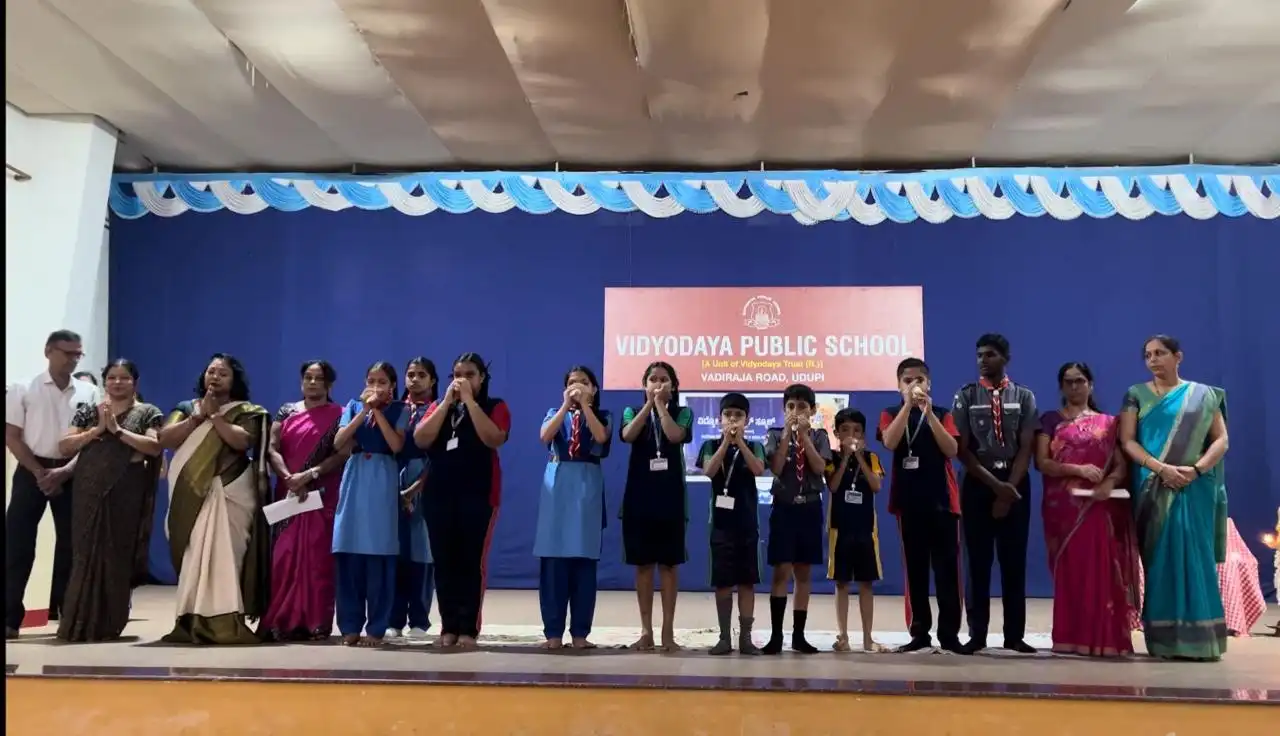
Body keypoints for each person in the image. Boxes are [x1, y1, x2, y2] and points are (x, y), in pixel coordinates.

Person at [1119, 335, 1230, 661]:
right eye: (1148, 355)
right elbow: (1127, 441)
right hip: (1154, 487)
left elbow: (1221, 439)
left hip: (1194, 487)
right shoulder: (1135, 395)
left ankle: (1202, 640)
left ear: (1177, 356)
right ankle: (1165, 641)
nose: (1153, 360)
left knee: (1196, 558)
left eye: (1160, 353)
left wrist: (1195, 470)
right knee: (1160, 563)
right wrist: (1160, 468)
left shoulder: (1203, 395)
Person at [157, 353, 271, 645]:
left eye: (223, 373)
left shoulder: (247, 410)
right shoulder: (186, 408)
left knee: (226, 557)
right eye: (211, 372)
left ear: (234, 380)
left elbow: (242, 441)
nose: (215, 377)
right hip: (191, 493)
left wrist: (216, 417)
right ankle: (189, 620)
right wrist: (197, 416)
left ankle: (227, 621)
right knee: (195, 553)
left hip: (230, 490)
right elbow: (165, 438)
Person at [54, 359, 163, 641]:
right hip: (88, 489)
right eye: (112, 377)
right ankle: (77, 624)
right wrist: (97, 430)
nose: (117, 382)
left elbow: (153, 446)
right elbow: (64, 445)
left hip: (126, 490)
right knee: (84, 554)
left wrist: (117, 431)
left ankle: (109, 623)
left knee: (116, 553)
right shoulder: (89, 411)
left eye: (124, 378)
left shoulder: (148, 412)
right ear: (105, 382)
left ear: (134, 383)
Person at [1035, 362, 1138, 657]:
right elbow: (1042, 462)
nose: (1074, 387)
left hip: (1098, 508)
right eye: (1067, 382)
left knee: (1101, 572)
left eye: (1079, 381)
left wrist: (1110, 483)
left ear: (1090, 384)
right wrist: (1077, 468)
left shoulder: (1108, 423)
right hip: (1063, 511)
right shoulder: (1049, 421)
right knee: (1071, 573)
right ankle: (1071, 638)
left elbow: (1119, 466)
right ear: (1061, 387)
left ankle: (1105, 639)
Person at [413, 353, 511, 650]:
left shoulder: (496, 406)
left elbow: (494, 438)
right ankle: (449, 625)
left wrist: (469, 402)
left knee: (470, 562)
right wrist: (446, 403)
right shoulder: (438, 406)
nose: (462, 380)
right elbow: (421, 439)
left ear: (482, 378)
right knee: (444, 562)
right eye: (457, 374)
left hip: (478, 494)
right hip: (439, 494)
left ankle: (468, 627)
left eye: (469, 374)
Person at [6, 329, 98, 638]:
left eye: (78, 355)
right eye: (67, 353)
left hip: (73, 473)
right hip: (31, 470)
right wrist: (39, 472)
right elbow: (12, 435)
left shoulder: (88, 392)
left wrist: (67, 471)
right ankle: (9, 618)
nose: (73, 360)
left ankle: (68, 617)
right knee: (17, 546)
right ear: (49, 351)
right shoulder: (23, 388)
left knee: (72, 546)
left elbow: (93, 440)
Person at [953, 334, 1039, 654]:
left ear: (1005, 358)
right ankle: (977, 635)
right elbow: (962, 450)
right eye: (979, 355)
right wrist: (994, 487)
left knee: (1013, 561)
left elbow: (1027, 445)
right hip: (977, 482)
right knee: (977, 561)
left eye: (990, 355)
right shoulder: (965, 396)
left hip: (1015, 482)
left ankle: (1014, 635)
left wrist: (1008, 491)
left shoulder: (1025, 397)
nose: (982, 360)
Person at [879, 358, 965, 654]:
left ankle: (950, 634)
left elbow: (952, 449)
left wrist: (929, 415)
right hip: (908, 503)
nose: (915, 385)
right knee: (915, 573)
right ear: (899, 385)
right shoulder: (890, 413)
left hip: (942, 503)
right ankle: (919, 633)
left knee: (947, 574)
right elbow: (890, 442)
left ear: (929, 383)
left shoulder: (943, 413)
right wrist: (907, 406)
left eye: (920, 380)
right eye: (907, 380)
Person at [260, 360, 349, 642]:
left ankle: (316, 623)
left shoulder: (339, 414)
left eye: (319, 378)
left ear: (329, 384)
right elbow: (271, 448)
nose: (312, 383)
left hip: (320, 495)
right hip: (288, 493)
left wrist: (310, 474)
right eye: (308, 378)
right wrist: (288, 476)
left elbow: (342, 453)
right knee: (282, 558)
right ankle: (279, 621)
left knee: (317, 561)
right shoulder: (287, 411)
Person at [618, 361, 693, 652]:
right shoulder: (631, 412)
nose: (658, 384)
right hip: (639, 500)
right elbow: (627, 435)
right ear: (644, 385)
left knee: (670, 566)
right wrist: (649, 406)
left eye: (664, 380)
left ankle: (668, 632)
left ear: (673, 386)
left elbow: (675, 436)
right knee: (644, 566)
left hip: (671, 500)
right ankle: (646, 630)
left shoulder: (683, 412)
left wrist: (661, 407)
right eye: (653, 380)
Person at [534, 366, 612, 650]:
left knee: (583, 563)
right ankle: (552, 633)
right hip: (557, 488)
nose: (577, 387)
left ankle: (580, 633)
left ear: (594, 389)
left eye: (584, 383)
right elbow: (545, 436)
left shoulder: (603, 416)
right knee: (553, 562)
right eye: (571, 383)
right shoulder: (556, 412)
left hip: (586, 487)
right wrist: (567, 405)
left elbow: (601, 438)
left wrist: (586, 407)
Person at [331, 362, 407, 647]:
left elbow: (396, 445)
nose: (376, 386)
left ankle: (377, 626)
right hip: (355, 477)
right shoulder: (352, 406)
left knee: (379, 553)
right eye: (371, 380)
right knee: (348, 551)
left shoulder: (400, 409)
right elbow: (339, 442)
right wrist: (364, 409)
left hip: (382, 477)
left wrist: (377, 410)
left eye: (383, 381)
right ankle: (349, 626)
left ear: (392, 386)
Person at [762, 383, 831, 655]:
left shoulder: (820, 436)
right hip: (784, 507)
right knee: (781, 571)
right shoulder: (774, 435)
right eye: (791, 407)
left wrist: (803, 436)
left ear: (812, 410)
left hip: (810, 507)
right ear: (784, 410)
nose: (796, 411)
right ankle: (776, 635)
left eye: (802, 407)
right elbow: (777, 467)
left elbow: (819, 467)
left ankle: (799, 636)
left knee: (803, 572)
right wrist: (787, 440)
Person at [696, 392, 766, 656]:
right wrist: (726, 443)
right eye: (728, 415)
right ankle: (724, 637)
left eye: (738, 415)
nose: (733, 420)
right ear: (720, 420)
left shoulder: (755, 446)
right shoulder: (711, 445)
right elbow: (709, 471)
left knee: (747, 582)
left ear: (747, 420)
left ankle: (746, 638)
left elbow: (759, 469)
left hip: (747, 524)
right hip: (721, 525)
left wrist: (741, 444)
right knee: (723, 582)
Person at [825, 409, 887, 653]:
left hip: (865, 530)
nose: (851, 435)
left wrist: (859, 457)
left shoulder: (871, 458)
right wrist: (845, 460)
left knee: (865, 584)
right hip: (839, 529)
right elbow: (833, 485)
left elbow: (876, 485)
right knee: (841, 583)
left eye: (857, 431)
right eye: (845, 430)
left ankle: (868, 637)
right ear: (837, 434)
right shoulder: (830, 458)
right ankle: (843, 636)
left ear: (864, 435)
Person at [388, 357, 438, 641]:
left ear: (432, 380)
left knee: (422, 552)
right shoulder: (394, 409)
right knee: (395, 551)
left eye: (421, 375)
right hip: (392, 477)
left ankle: (419, 619)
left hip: (425, 479)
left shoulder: (438, 409)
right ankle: (393, 618)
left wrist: (415, 489)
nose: (415, 379)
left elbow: (438, 455)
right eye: (410, 374)